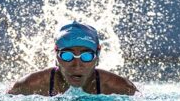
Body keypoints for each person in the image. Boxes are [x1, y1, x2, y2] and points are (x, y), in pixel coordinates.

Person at [8, 21, 137, 96]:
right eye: (67, 55)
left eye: (86, 56)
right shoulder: (29, 85)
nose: (77, 64)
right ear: (56, 55)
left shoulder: (120, 88)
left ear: (97, 56)